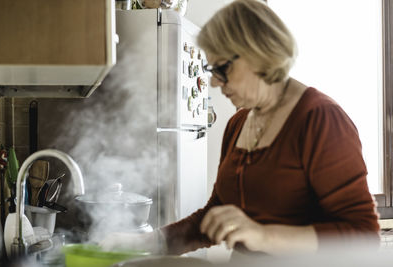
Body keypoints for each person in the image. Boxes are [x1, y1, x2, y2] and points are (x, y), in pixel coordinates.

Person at [101, 0, 380, 257]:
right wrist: (146, 243)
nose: (213, 83)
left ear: (258, 55)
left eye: (221, 69)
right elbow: (214, 217)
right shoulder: (238, 123)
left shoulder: (320, 119)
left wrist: (264, 236)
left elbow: (363, 235)